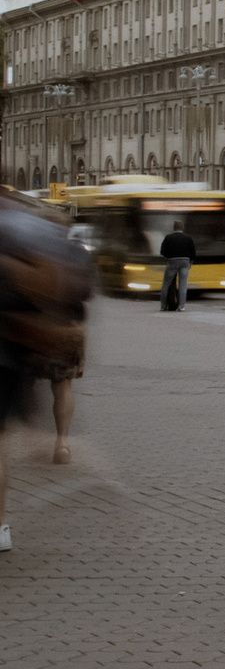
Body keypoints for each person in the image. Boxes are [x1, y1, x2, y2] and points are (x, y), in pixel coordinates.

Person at [0, 196, 93, 551]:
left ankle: (39, 434)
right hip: (59, 333)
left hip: (26, 336)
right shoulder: (71, 251)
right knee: (63, 385)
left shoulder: (18, 242)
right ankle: (62, 442)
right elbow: (85, 291)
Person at [158, 220, 195, 311]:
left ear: (174, 228)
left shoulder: (168, 237)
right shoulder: (188, 238)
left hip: (172, 261)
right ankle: (181, 306)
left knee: (166, 284)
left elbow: (162, 251)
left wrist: (168, 257)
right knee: (183, 284)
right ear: (182, 228)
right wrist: (191, 262)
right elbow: (193, 252)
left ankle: (163, 306)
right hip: (185, 261)